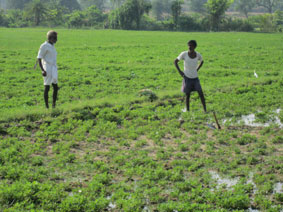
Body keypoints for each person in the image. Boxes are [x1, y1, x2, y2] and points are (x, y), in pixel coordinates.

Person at [174, 40, 206, 112]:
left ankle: (205, 110)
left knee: (201, 93)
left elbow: (202, 61)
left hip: (195, 78)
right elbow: (175, 61)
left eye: (191, 45)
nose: (189, 47)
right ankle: (188, 110)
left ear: (195, 47)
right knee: (187, 95)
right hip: (187, 77)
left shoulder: (198, 55)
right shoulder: (184, 54)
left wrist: (197, 69)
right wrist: (180, 72)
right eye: (189, 45)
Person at [37, 30, 59, 109]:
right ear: (50, 38)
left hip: (53, 67)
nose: (56, 40)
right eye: (55, 38)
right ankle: (47, 106)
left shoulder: (52, 45)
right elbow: (39, 58)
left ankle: (53, 105)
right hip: (47, 67)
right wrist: (42, 70)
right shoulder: (44, 46)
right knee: (47, 87)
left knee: (55, 87)